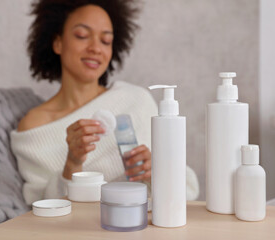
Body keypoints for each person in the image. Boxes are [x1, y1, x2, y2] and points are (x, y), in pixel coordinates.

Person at [11, 0, 199, 205]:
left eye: (106, 41)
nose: (95, 48)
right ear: (57, 43)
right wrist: (72, 163)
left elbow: (187, 189)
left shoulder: (136, 100)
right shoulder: (35, 127)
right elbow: (39, 209)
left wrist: (157, 172)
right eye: (82, 36)